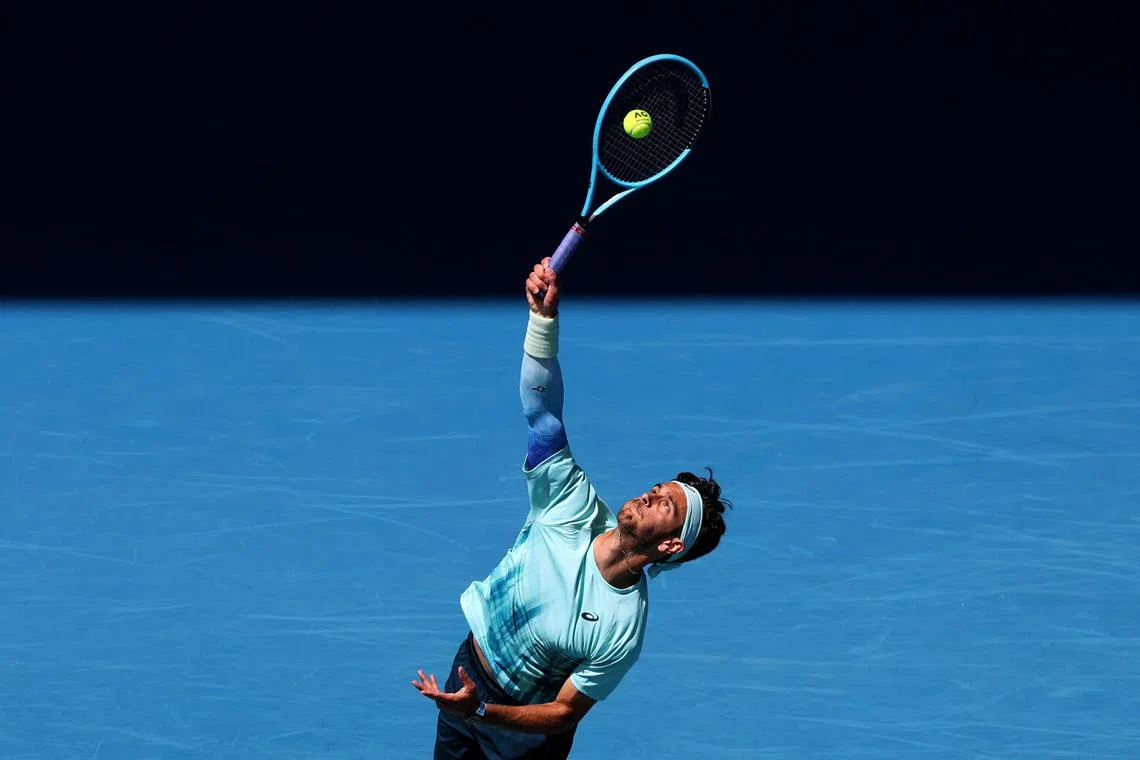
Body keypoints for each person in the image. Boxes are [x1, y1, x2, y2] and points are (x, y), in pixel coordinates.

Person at [412, 256, 732, 759]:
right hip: (466, 675)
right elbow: (542, 413)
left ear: (671, 545)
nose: (650, 495)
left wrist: (481, 712)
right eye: (657, 487)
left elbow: (565, 712)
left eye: (666, 504)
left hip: (523, 735)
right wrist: (543, 321)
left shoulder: (622, 626)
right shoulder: (570, 505)